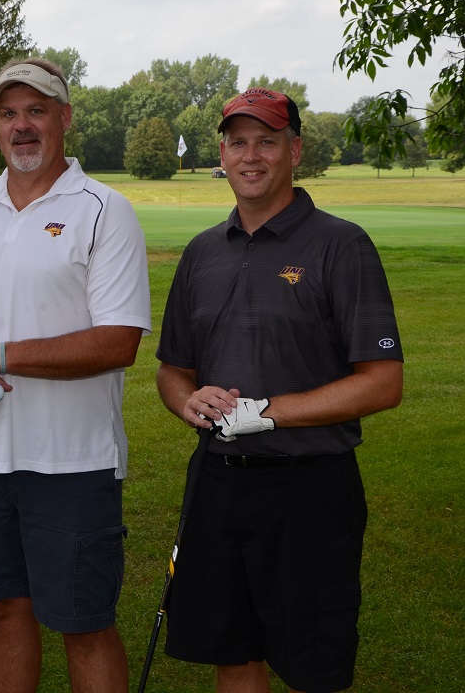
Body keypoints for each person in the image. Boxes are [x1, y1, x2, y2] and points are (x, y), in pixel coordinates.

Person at [0, 57, 152, 693]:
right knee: (2, 611)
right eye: (9, 113)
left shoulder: (104, 210)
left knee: (84, 622)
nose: (22, 126)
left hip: (73, 462)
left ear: (65, 118)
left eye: (36, 110)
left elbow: (118, 340)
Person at [155, 87, 404, 693]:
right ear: (222, 152)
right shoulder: (202, 253)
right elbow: (172, 369)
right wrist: (186, 399)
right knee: (232, 651)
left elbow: (383, 382)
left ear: (295, 151)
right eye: (238, 142)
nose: (251, 156)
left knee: (312, 666)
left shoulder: (341, 245)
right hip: (217, 481)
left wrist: (268, 413)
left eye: (267, 141)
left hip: (310, 486)